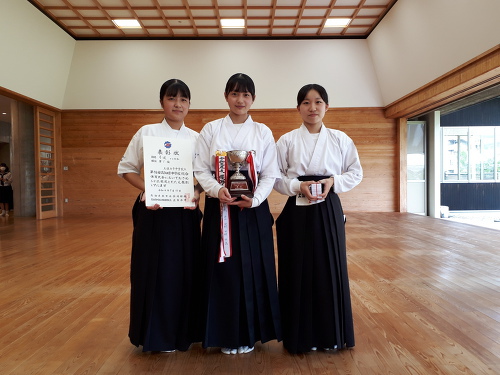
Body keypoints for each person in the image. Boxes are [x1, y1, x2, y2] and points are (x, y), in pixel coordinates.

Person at [193, 73, 281, 355]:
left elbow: (270, 173)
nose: (240, 100)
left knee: (253, 270)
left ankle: (250, 334)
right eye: (234, 94)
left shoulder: (263, 132)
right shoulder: (210, 129)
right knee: (222, 271)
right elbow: (200, 169)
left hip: (252, 210)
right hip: (220, 207)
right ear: (226, 97)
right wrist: (217, 189)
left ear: (253, 99)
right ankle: (222, 334)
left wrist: (255, 199)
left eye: (245, 95)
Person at [274, 84, 363, 354]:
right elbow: (275, 176)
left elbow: (355, 172)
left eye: (318, 102)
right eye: (306, 102)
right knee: (296, 266)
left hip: (328, 203)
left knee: (329, 266)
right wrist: (296, 187)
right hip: (297, 206)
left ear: (327, 107)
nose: (312, 108)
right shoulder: (287, 140)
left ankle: (331, 334)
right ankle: (299, 336)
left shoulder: (340, 139)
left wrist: (333, 181)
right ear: (298, 107)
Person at [117, 79, 203, 352]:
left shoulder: (196, 138)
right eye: (172, 98)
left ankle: (185, 332)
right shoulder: (147, 132)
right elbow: (127, 169)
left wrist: (197, 191)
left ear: (189, 105)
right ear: (162, 101)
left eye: (183, 100)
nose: (178, 104)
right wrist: (150, 189)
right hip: (154, 213)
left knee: (185, 271)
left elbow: (203, 177)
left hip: (185, 214)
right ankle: (155, 335)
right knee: (153, 272)